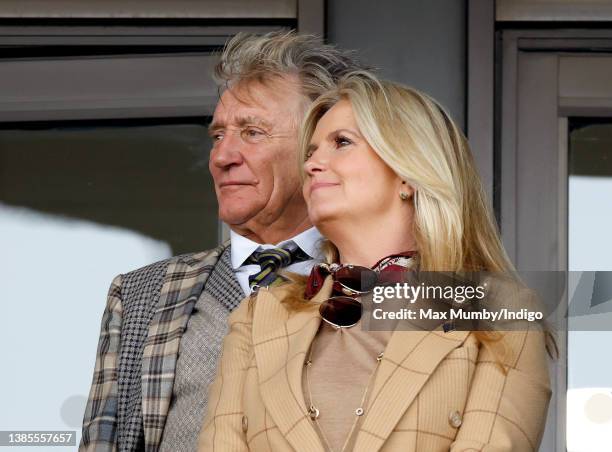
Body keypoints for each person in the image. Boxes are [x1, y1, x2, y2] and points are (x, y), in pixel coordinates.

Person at [198, 72, 553, 451]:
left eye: (342, 143)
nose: (312, 164)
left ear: (407, 174)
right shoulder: (257, 316)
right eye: (310, 152)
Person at [80, 31, 366, 452]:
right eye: (218, 136)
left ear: (317, 149)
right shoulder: (142, 295)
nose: (221, 156)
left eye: (252, 132)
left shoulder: (394, 288)